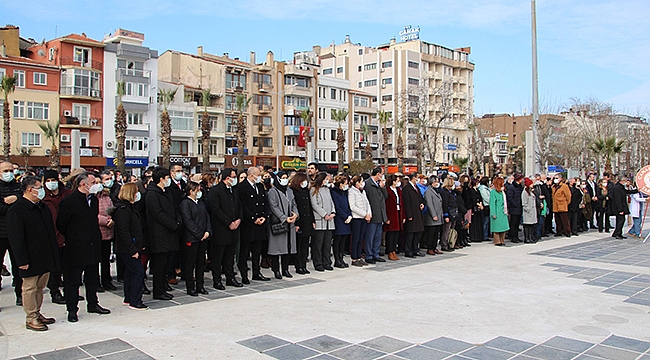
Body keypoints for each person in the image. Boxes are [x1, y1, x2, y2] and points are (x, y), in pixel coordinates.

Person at [7, 176, 60, 330]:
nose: (42, 190)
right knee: (29, 288)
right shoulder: (17, 210)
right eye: (39, 187)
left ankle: (37, 312)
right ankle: (31, 317)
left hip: (44, 254)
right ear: (30, 189)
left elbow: (50, 231)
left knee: (40, 287)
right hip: (29, 256)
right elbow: (16, 238)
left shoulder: (42, 207)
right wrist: (21, 260)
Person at [57, 172, 111, 322]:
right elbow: (61, 224)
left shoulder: (93, 200)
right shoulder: (69, 202)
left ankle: (93, 303)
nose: (97, 185)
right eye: (93, 182)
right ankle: (72, 309)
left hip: (93, 244)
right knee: (73, 280)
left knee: (92, 278)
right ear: (83, 184)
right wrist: (75, 236)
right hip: (76, 246)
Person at [146, 167, 180, 301]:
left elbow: (173, 208)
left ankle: (163, 286)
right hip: (159, 234)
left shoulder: (165, 192)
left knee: (166, 264)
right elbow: (158, 214)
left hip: (169, 233)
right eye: (167, 178)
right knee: (159, 265)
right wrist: (173, 224)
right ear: (161, 179)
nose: (169, 180)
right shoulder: (152, 194)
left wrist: (177, 222)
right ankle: (158, 291)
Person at [112, 183, 147, 310]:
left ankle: (129, 297)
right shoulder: (123, 210)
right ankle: (135, 300)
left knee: (130, 272)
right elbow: (123, 232)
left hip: (134, 245)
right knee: (138, 272)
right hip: (128, 248)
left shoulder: (131, 208)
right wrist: (132, 249)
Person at [209, 168, 243, 289]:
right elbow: (216, 209)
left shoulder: (234, 190)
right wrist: (229, 222)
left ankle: (230, 277)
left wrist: (239, 219)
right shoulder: (215, 191)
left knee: (230, 255)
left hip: (234, 227)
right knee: (218, 257)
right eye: (233, 177)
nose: (235, 179)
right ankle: (217, 280)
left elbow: (239, 206)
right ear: (226, 178)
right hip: (221, 228)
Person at [41, 169, 72, 305]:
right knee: (54, 269)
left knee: (70, 267)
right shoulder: (43, 197)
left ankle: (69, 291)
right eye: (48, 181)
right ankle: (55, 292)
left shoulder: (67, 194)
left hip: (68, 235)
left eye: (53, 180)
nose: (51, 183)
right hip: (51, 236)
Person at [238, 166, 270, 283]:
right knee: (245, 251)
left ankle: (257, 272)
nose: (259, 177)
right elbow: (243, 205)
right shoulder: (242, 187)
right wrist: (253, 218)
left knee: (257, 250)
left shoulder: (260, 186)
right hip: (248, 224)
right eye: (258, 175)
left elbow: (264, 203)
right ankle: (244, 275)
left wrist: (263, 217)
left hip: (260, 223)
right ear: (251, 176)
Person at [179, 181, 211, 296]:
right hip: (191, 238)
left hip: (203, 237)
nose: (200, 192)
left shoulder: (200, 203)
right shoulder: (185, 204)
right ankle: (190, 287)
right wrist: (198, 234)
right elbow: (188, 221)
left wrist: (207, 231)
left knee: (200, 263)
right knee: (190, 263)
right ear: (191, 191)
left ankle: (200, 285)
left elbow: (207, 217)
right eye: (198, 190)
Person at [0, 161, 24, 306]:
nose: (9, 173)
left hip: (16, 233)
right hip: (0, 233)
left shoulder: (18, 187)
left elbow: (24, 203)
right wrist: (9, 207)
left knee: (18, 266)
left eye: (11, 170)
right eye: (6, 170)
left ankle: (20, 295)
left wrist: (16, 199)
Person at [267, 171, 298, 278]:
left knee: (287, 247)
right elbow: (273, 206)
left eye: (286, 177)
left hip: (290, 223)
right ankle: (276, 270)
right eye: (283, 177)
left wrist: (295, 214)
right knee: (276, 248)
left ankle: (285, 269)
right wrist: (284, 218)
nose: (285, 179)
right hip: (278, 223)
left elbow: (294, 203)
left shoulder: (289, 191)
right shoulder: (273, 191)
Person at [289, 172, 315, 274]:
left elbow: (309, 207)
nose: (305, 183)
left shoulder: (306, 191)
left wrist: (312, 221)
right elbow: (295, 207)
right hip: (300, 220)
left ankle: (304, 265)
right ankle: (298, 266)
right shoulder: (293, 191)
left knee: (305, 245)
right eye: (303, 181)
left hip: (307, 220)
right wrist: (296, 223)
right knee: (298, 245)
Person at [310, 172, 336, 271]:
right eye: (325, 179)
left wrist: (333, 212)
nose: (327, 180)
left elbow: (331, 202)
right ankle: (318, 263)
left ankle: (327, 262)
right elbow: (314, 204)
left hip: (329, 220)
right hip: (320, 220)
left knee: (327, 243)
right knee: (318, 244)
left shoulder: (327, 189)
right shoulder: (313, 189)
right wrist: (324, 214)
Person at [166, 164, 186, 285]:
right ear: (172, 173)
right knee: (173, 250)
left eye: (181, 171)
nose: (180, 173)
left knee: (184, 249)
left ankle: (183, 271)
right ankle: (171, 274)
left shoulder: (183, 184)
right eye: (178, 171)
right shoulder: (169, 186)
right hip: (175, 220)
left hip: (185, 220)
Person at [97, 172, 116, 292]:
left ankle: (106, 280)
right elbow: (93, 213)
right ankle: (95, 282)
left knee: (105, 259)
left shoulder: (107, 196)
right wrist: (105, 221)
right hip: (98, 231)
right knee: (96, 260)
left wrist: (112, 219)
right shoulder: (93, 197)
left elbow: (111, 209)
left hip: (109, 232)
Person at [364, 167, 388, 263]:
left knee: (378, 236)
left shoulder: (379, 184)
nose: (382, 176)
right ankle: (369, 255)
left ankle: (376, 253)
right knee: (370, 236)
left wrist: (383, 188)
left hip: (380, 213)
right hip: (372, 213)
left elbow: (385, 197)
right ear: (378, 174)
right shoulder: (367, 183)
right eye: (381, 174)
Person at [348, 175, 371, 267]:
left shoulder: (363, 192)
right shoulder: (351, 192)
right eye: (361, 181)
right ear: (356, 183)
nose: (362, 183)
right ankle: (354, 258)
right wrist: (364, 214)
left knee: (361, 238)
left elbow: (367, 203)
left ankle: (359, 257)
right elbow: (353, 206)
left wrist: (368, 213)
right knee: (356, 238)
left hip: (364, 218)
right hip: (356, 218)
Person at [331, 174, 352, 268]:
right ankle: (337, 260)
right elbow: (337, 207)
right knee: (338, 240)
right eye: (345, 184)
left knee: (343, 240)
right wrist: (345, 216)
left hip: (347, 218)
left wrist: (349, 215)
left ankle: (341, 257)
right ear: (340, 184)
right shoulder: (334, 192)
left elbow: (348, 204)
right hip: (339, 219)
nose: (346, 186)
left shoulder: (345, 192)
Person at [402, 172, 425, 257]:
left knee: (417, 233)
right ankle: (408, 250)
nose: (417, 180)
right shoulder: (407, 189)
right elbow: (406, 203)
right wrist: (409, 215)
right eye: (416, 178)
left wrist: (422, 203)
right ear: (413, 178)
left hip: (418, 213)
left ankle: (415, 249)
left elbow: (420, 198)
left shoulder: (416, 188)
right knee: (410, 234)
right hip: (411, 213)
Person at [384, 174, 404, 261]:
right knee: (391, 233)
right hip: (391, 213)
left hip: (398, 212)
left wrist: (403, 216)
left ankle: (394, 250)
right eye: (397, 181)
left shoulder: (398, 190)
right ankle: (390, 251)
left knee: (396, 232)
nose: (398, 182)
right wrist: (386, 217)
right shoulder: (388, 190)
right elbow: (386, 204)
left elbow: (402, 203)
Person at [423, 175, 444, 255]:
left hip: (439, 214)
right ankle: (430, 248)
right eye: (436, 182)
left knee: (436, 233)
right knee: (431, 233)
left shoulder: (436, 190)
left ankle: (434, 247)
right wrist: (433, 215)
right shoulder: (428, 191)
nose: (437, 183)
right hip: (432, 216)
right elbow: (429, 204)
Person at [440, 177, 460, 251]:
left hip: (453, 212)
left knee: (451, 229)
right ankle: (444, 245)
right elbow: (445, 204)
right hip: (448, 212)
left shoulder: (451, 192)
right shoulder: (444, 192)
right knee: (446, 230)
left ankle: (450, 243)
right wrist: (446, 215)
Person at [489, 177, 509, 246]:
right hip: (497, 212)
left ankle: (502, 240)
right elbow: (492, 203)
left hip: (503, 212)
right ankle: (497, 241)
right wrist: (493, 213)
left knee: (503, 227)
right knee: (497, 228)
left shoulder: (502, 192)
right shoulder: (493, 192)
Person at [505, 174, 524, 243]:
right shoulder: (511, 187)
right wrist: (515, 204)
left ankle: (516, 236)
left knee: (517, 223)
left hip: (519, 207)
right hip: (514, 208)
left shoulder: (520, 187)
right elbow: (510, 198)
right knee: (513, 223)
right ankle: (513, 236)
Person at [521, 178, 538, 244]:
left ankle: (530, 237)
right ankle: (527, 238)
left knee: (531, 225)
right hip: (528, 212)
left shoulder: (530, 191)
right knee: (527, 225)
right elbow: (524, 203)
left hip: (532, 211)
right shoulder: (524, 192)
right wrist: (528, 209)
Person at [478, 177, 491, 242]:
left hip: (487, 206)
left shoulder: (486, 188)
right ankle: (484, 235)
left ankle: (486, 234)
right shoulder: (483, 189)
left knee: (487, 222)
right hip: (486, 206)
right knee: (485, 222)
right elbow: (486, 198)